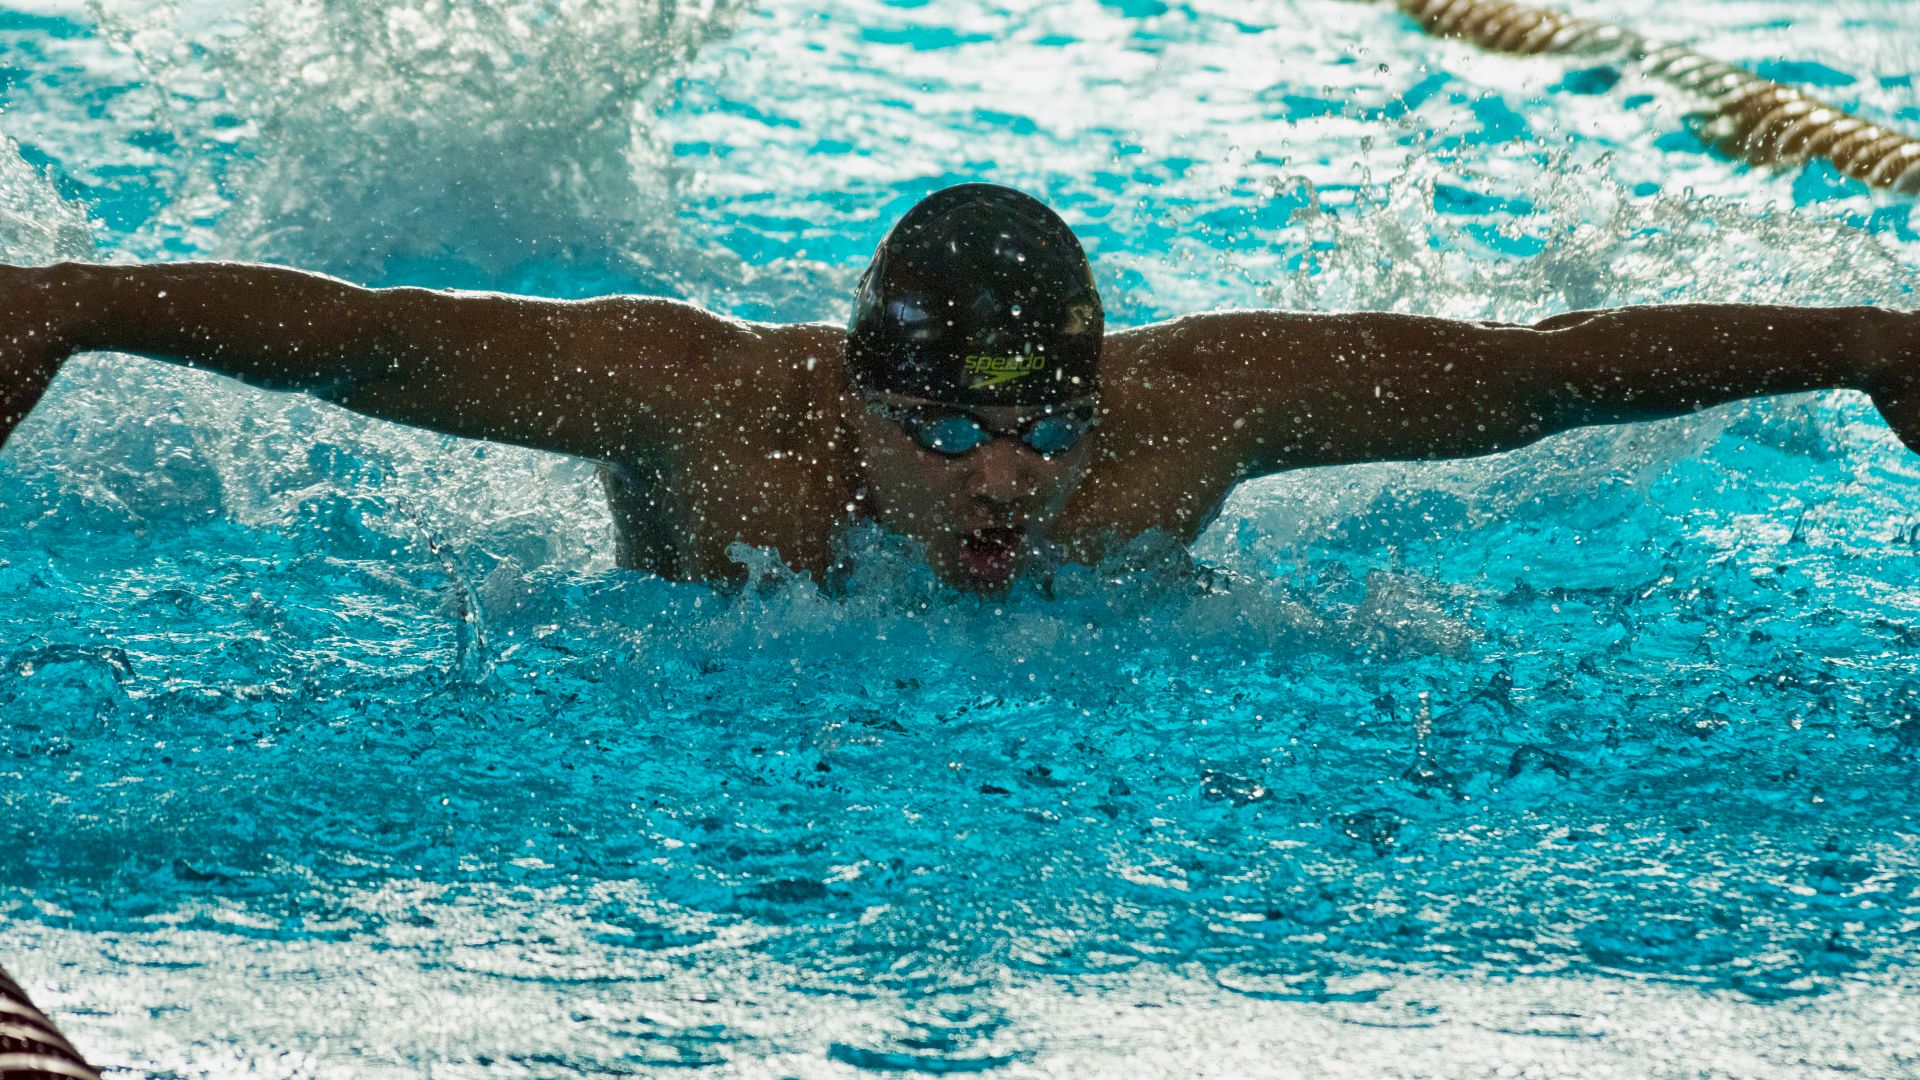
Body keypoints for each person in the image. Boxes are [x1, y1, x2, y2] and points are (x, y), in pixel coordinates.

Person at [2, 182, 1915, 590]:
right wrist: (71, 304)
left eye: (1043, 427)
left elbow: (1541, 383)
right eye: (942, 430)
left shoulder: (1195, 409)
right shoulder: (684, 402)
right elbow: (359, 336)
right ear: (850, 398)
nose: (1006, 479)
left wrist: (1858, 345)